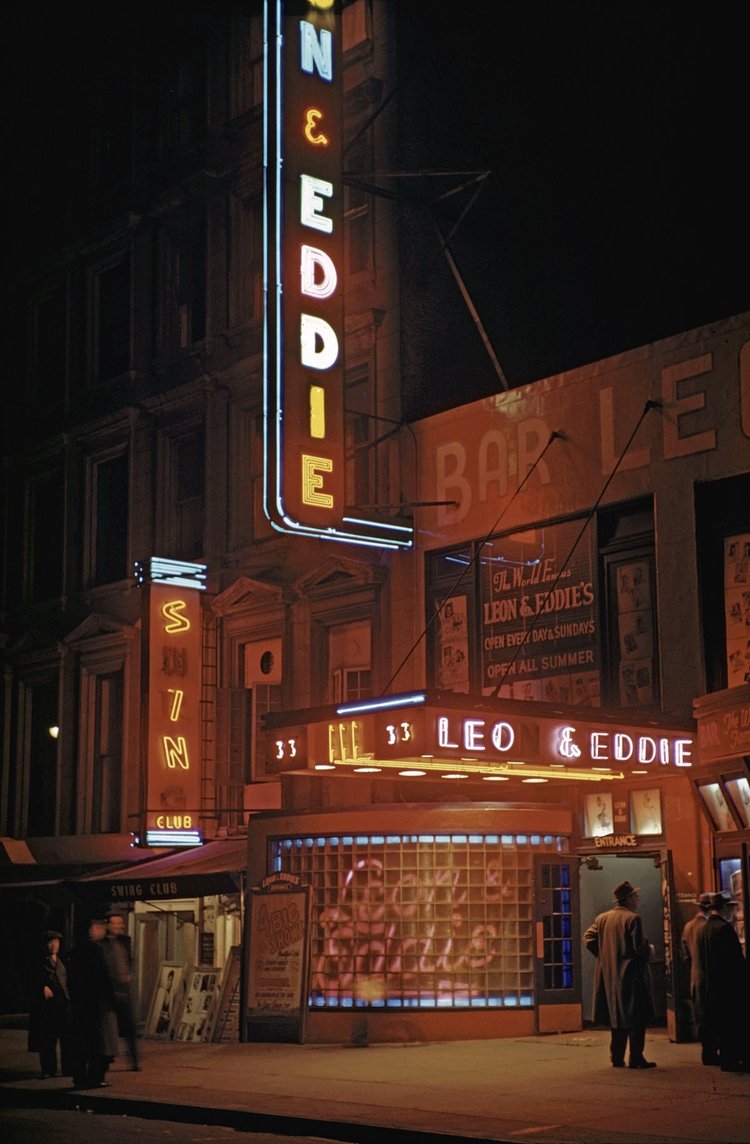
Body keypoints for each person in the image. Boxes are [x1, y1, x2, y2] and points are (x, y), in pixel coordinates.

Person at [583, 880, 657, 1069]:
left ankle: (616, 1057)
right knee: (636, 1017)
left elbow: (589, 938)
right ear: (629, 899)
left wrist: (604, 955)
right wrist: (651, 950)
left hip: (610, 975)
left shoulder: (602, 918)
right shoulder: (633, 919)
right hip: (632, 975)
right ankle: (636, 1057)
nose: (638, 899)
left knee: (617, 1017)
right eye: (635, 896)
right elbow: (640, 949)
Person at [695, 890, 750, 1073]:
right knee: (731, 1024)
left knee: (720, 1024)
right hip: (727, 986)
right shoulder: (724, 929)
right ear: (725, 908)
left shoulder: (704, 929)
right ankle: (731, 1060)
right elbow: (735, 961)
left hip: (710, 985)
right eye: (731, 907)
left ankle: (727, 1058)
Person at [68, 917, 119, 1089]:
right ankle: (96, 1078)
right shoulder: (96, 950)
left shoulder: (76, 950)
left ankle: (80, 1078)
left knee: (81, 1044)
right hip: (97, 1005)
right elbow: (104, 978)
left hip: (80, 1005)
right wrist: (113, 1000)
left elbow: (71, 980)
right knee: (99, 1044)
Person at [27, 930, 71, 1079]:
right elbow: (31, 981)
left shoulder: (63, 960)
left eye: (56, 942)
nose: (54, 945)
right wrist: (42, 988)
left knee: (66, 1039)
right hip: (48, 1007)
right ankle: (48, 1069)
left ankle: (68, 1068)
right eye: (51, 942)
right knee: (48, 1039)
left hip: (64, 1005)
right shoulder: (38, 962)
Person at [680, 891, 716, 1064]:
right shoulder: (709, 927)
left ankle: (706, 1052)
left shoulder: (688, 927)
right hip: (712, 979)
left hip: (695, 978)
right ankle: (713, 1052)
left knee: (702, 1016)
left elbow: (685, 955)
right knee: (715, 1016)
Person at [103, 911, 140, 1070]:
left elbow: (128, 960)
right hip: (109, 991)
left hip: (124, 990)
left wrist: (128, 975)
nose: (119, 926)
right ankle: (107, 1059)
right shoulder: (102, 943)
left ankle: (134, 1060)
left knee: (130, 1028)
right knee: (109, 1028)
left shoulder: (125, 941)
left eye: (120, 923)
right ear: (108, 925)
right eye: (116, 923)